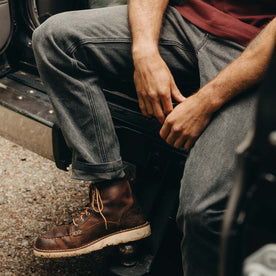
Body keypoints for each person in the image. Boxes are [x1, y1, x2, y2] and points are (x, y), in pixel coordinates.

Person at [32, 0, 276, 275]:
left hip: (255, 47)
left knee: (203, 215)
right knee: (56, 39)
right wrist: (145, 54)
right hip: (186, 20)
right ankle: (114, 202)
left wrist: (204, 103)